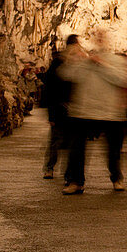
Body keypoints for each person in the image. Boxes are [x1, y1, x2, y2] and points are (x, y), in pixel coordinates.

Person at [59, 29, 127, 194]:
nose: (100, 40)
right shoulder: (84, 61)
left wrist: (102, 65)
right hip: (84, 111)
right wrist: (71, 60)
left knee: (113, 150)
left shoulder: (117, 60)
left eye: (103, 38)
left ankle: (117, 177)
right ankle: (76, 181)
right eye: (97, 38)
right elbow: (67, 76)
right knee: (77, 149)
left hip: (110, 112)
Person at [39, 35, 77, 179]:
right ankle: (49, 167)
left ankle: (68, 170)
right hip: (59, 108)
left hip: (73, 110)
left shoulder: (77, 64)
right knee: (55, 140)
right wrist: (51, 114)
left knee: (71, 142)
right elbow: (50, 89)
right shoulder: (58, 63)